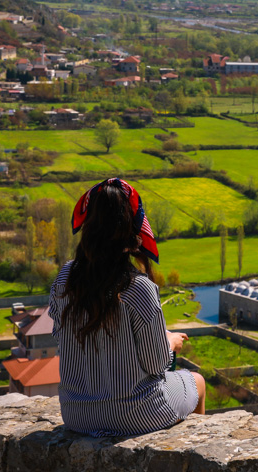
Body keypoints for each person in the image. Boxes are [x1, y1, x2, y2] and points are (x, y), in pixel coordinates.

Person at [48, 177, 206, 436]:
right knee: (197, 381)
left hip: (77, 415)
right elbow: (156, 366)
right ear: (131, 228)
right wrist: (170, 343)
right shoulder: (138, 287)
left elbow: (60, 336)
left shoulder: (65, 277)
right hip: (137, 415)